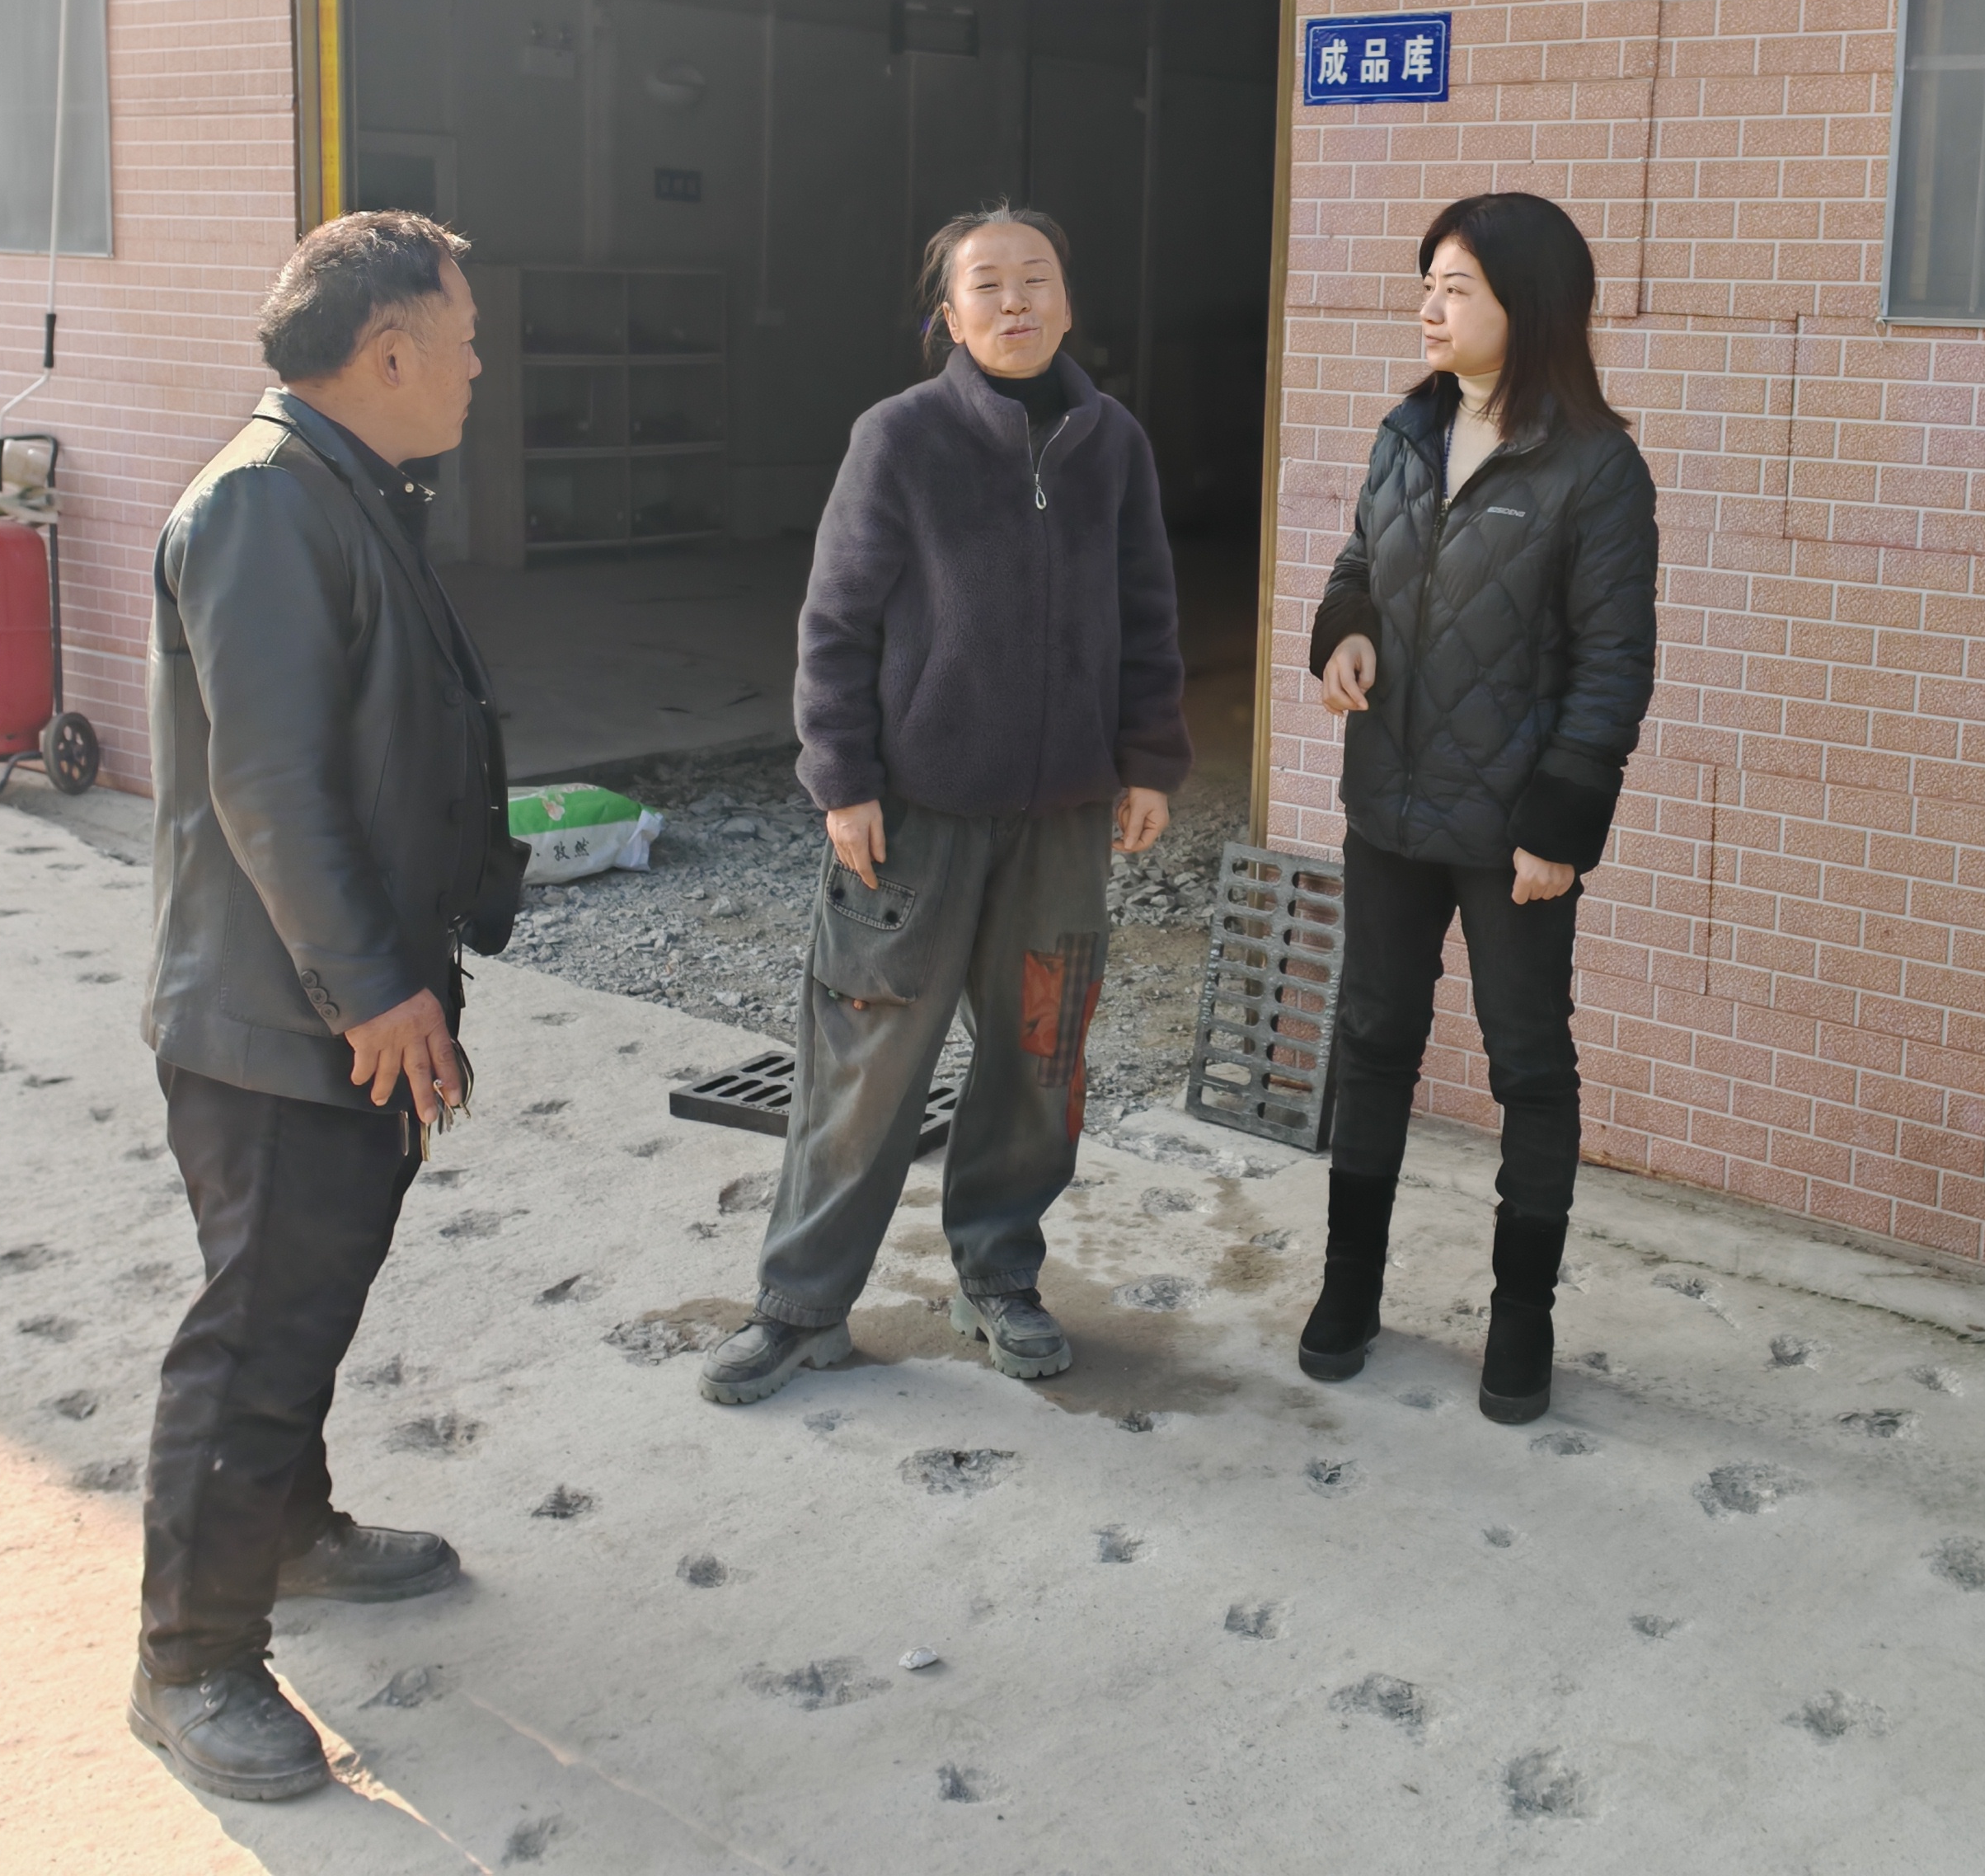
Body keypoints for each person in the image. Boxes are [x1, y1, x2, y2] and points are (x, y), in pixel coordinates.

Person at [129, 209, 526, 1801]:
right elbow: (274, 786)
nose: (481, 366)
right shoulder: (265, 505)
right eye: (467, 339)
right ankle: (190, 1661)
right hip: (284, 1015)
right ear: (389, 351)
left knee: (306, 1298)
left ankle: (287, 1534)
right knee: (258, 1332)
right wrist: (374, 993)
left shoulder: (340, 488)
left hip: (332, 997)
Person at [702, 206, 1190, 1405]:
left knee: (1039, 1059)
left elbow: (1147, 611)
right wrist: (844, 779)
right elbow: (836, 620)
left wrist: (1148, 760)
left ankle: (999, 1276)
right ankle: (800, 1306)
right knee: (867, 1064)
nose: (1016, 301)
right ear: (950, 316)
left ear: (1068, 302)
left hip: (1063, 821)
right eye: (988, 284)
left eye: (1037, 278)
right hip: (916, 815)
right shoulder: (901, 438)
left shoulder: (1112, 443)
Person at [1298, 191, 1657, 1426]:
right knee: (1372, 1041)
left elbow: (1614, 665)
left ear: (1530, 305)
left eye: (1456, 287)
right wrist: (1344, 634)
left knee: (1529, 1065)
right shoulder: (1409, 429)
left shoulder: (1596, 467)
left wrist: (1562, 824)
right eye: (1428, 284)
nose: (1429, 308)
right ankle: (1350, 1288)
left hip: (1514, 833)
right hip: (1387, 808)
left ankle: (1521, 1317)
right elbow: (1358, 565)